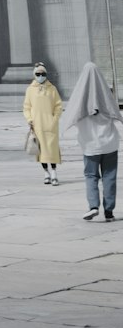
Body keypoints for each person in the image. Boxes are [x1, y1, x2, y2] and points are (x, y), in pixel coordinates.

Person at [62, 61, 120, 222]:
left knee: (91, 176)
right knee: (109, 177)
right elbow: (115, 114)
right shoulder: (106, 95)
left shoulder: (79, 98)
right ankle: (109, 211)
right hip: (110, 144)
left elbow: (71, 117)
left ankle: (93, 206)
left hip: (90, 146)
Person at [23, 61, 63, 185]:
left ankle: (54, 173)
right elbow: (27, 107)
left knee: (52, 149)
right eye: (38, 74)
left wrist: (55, 118)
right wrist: (30, 119)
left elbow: (58, 105)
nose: (41, 76)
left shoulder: (52, 89)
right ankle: (46, 173)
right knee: (41, 150)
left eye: (43, 73)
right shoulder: (30, 90)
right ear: (34, 74)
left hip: (51, 124)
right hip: (37, 124)